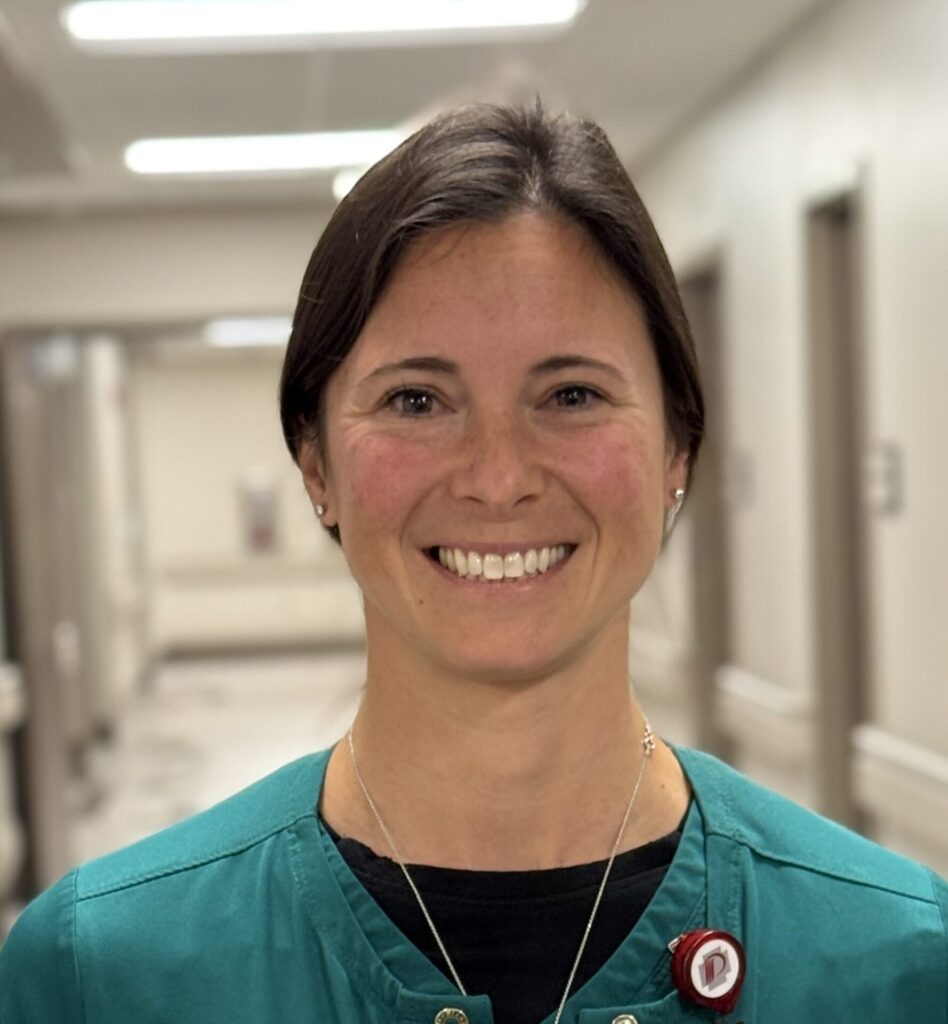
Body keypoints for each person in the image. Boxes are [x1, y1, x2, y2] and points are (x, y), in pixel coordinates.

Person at [1, 102, 945, 1024]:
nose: (499, 478)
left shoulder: (898, 963)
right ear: (316, 464)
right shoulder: (105, 976)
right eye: (417, 401)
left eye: (572, 394)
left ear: (677, 454)